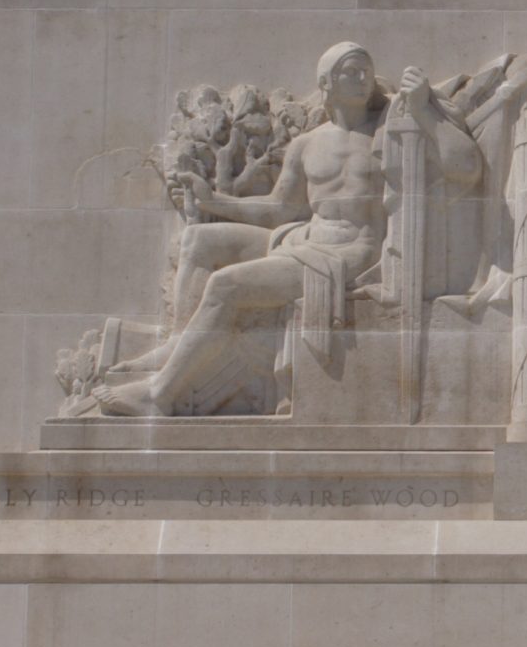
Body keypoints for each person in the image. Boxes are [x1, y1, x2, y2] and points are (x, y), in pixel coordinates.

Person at [91, 42, 481, 416]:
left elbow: (466, 167)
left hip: (351, 254)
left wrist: (424, 110)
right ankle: (179, 341)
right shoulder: (308, 144)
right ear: (325, 82)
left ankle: (160, 395)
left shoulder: (392, 131)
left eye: (366, 70)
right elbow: (280, 209)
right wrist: (214, 201)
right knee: (199, 240)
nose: (363, 77)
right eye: (350, 71)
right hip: (305, 237)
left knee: (227, 285)